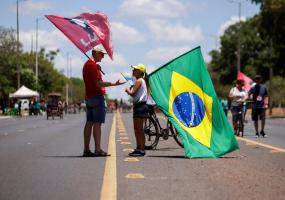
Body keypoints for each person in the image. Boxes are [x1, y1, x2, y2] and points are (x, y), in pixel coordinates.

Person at [82, 44, 125, 157]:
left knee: (89, 123)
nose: (103, 57)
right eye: (101, 54)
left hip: (89, 97)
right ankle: (98, 149)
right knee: (97, 124)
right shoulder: (93, 66)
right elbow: (98, 83)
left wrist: (98, 69)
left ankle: (86, 149)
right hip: (97, 96)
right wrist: (113, 84)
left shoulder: (87, 65)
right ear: (95, 53)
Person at [125, 64, 149, 157]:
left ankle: (141, 149)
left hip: (140, 106)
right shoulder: (140, 81)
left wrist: (128, 90)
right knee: (137, 129)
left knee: (139, 129)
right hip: (140, 106)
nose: (133, 71)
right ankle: (139, 148)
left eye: (135, 69)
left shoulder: (139, 80)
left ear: (140, 72)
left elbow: (132, 93)